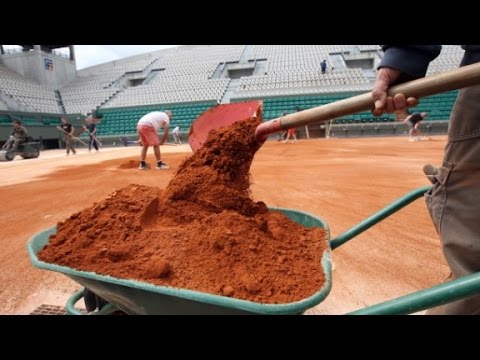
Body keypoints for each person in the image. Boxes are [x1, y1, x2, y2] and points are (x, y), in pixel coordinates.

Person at [372, 45, 480, 315]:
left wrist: (406, 54)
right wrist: (406, 56)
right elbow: (413, 116)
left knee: (472, 250)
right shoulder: (414, 116)